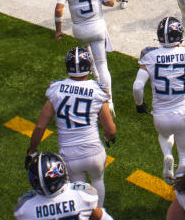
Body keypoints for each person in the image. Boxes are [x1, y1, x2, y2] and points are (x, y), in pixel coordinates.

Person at [27, 47, 117, 205]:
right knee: (97, 180)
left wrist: (32, 150)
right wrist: (109, 137)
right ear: (88, 66)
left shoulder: (56, 89)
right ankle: (99, 215)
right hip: (93, 150)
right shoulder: (96, 90)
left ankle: (83, 216)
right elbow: (110, 129)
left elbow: (41, 126)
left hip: (69, 154)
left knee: (77, 189)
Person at [134, 16, 185, 184]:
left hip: (160, 117)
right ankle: (182, 192)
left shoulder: (150, 56)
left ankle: (168, 154)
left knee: (164, 135)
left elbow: (137, 87)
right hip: (184, 115)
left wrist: (139, 104)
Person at [54, 0, 117, 111]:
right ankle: (108, 102)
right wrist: (98, 1)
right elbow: (111, 2)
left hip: (80, 31)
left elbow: (58, 9)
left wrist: (58, 30)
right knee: (103, 64)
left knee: (88, 50)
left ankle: (94, 75)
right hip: (97, 27)